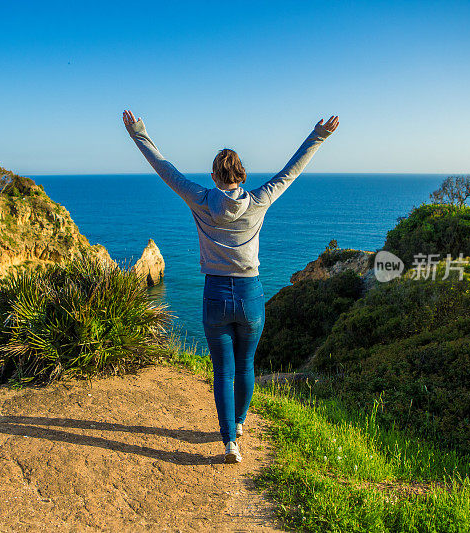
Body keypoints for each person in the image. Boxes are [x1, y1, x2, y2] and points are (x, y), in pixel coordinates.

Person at [122, 109, 339, 463]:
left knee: (222, 369)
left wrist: (138, 133)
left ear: (212, 176)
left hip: (215, 295)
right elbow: (292, 171)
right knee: (245, 365)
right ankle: (238, 423)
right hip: (251, 295)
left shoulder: (200, 198)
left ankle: (229, 443)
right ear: (242, 175)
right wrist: (319, 135)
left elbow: (164, 168)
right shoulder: (260, 199)